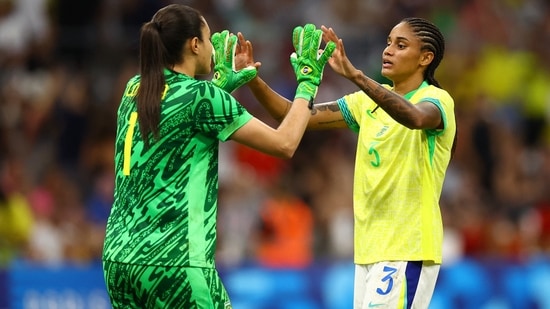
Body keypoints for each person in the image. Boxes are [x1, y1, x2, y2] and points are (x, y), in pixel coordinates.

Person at [101, 4, 335, 309]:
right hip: (175, 261)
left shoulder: (136, 88)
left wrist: (220, 88)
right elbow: (285, 143)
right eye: (209, 39)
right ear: (194, 44)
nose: (214, 48)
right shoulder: (204, 98)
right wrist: (307, 83)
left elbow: (178, 124)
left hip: (119, 259)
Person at [243, 18, 457, 308]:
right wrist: (252, 79)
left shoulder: (436, 100)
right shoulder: (364, 104)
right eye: (389, 42)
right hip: (368, 250)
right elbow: (290, 116)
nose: (388, 50)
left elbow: (416, 118)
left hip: (408, 247)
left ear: (425, 58)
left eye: (401, 45)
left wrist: (356, 76)